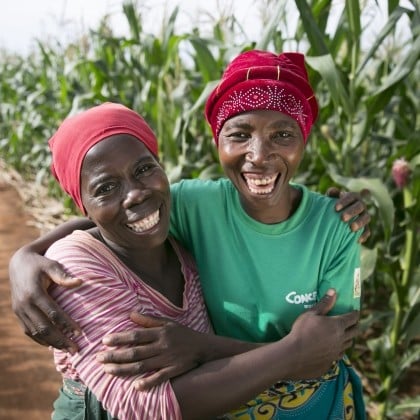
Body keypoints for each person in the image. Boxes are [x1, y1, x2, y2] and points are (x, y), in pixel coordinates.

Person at [9, 50, 369, 418]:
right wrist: (25, 256)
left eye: (283, 134)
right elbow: (110, 221)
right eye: (239, 134)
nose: (259, 155)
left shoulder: (334, 227)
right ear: (218, 141)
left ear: (304, 140)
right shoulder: (196, 207)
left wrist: (204, 348)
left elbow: (322, 354)